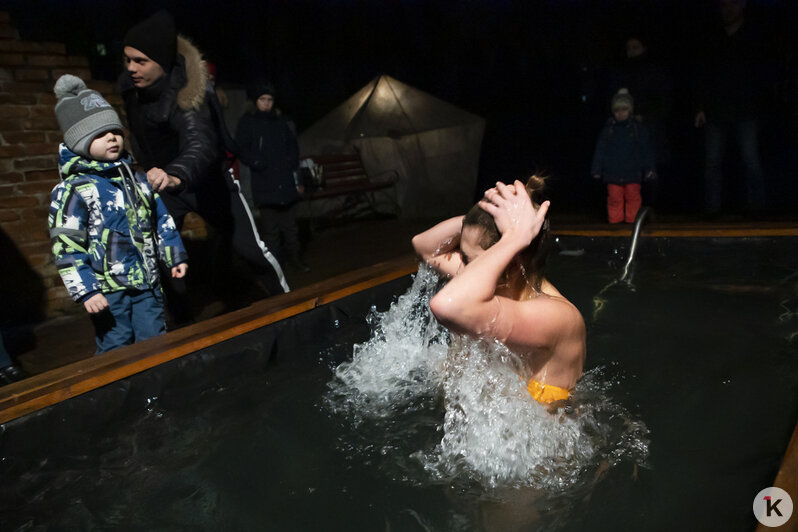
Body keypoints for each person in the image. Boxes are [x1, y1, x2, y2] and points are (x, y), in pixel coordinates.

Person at [118, 10, 289, 323]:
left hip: (208, 181)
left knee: (251, 249)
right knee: (161, 256)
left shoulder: (187, 94)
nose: (131, 68)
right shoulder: (130, 88)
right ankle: (180, 325)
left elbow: (200, 144)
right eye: (128, 59)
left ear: (163, 60)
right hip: (163, 185)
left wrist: (175, 174)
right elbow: (140, 133)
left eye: (140, 61)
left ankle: (291, 302)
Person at [412, 177, 585, 404]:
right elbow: (426, 249)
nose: (465, 267)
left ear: (512, 260)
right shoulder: (485, 284)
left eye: (472, 260)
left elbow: (448, 306)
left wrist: (514, 236)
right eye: (463, 257)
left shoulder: (557, 316)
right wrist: (484, 214)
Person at [48, 75, 188, 353]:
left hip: (146, 281)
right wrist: (86, 288)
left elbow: (161, 221)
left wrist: (173, 256)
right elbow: (66, 244)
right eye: (99, 134)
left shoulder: (138, 180)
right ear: (79, 142)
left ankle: (157, 389)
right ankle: (119, 394)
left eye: (115, 131)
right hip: (107, 290)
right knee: (116, 345)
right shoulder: (73, 190)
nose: (111, 137)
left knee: (155, 339)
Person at [694, 0, 770, 215]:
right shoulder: (712, 37)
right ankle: (712, 211)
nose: (728, 9)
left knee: (750, 161)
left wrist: (761, 106)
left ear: (743, 5)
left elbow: (762, 75)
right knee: (712, 164)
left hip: (746, 110)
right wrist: (700, 106)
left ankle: (758, 209)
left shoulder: (754, 36)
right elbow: (702, 75)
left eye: (733, 4)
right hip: (716, 110)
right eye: (724, 5)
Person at [235, 83, 308, 272]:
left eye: (270, 100)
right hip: (265, 183)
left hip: (285, 181)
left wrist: (292, 164)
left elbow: (292, 145)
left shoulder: (280, 121)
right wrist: (258, 163)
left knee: (291, 227)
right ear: (255, 101)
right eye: (263, 100)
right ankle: (276, 267)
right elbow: (241, 148)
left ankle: (296, 260)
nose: (266, 103)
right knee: (271, 230)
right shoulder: (247, 121)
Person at [591, 89, 656, 223]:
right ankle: (616, 228)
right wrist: (596, 169)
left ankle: (632, 226)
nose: (620, 113)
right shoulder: (608, 129)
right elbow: (600, 150)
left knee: (633, 199)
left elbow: (646, 150)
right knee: (614, 200)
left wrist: (650, 168)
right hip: (613, 174)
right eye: (617, 110)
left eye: (624, 109)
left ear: (630, 110)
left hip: (633, 173)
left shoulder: (638, 129)